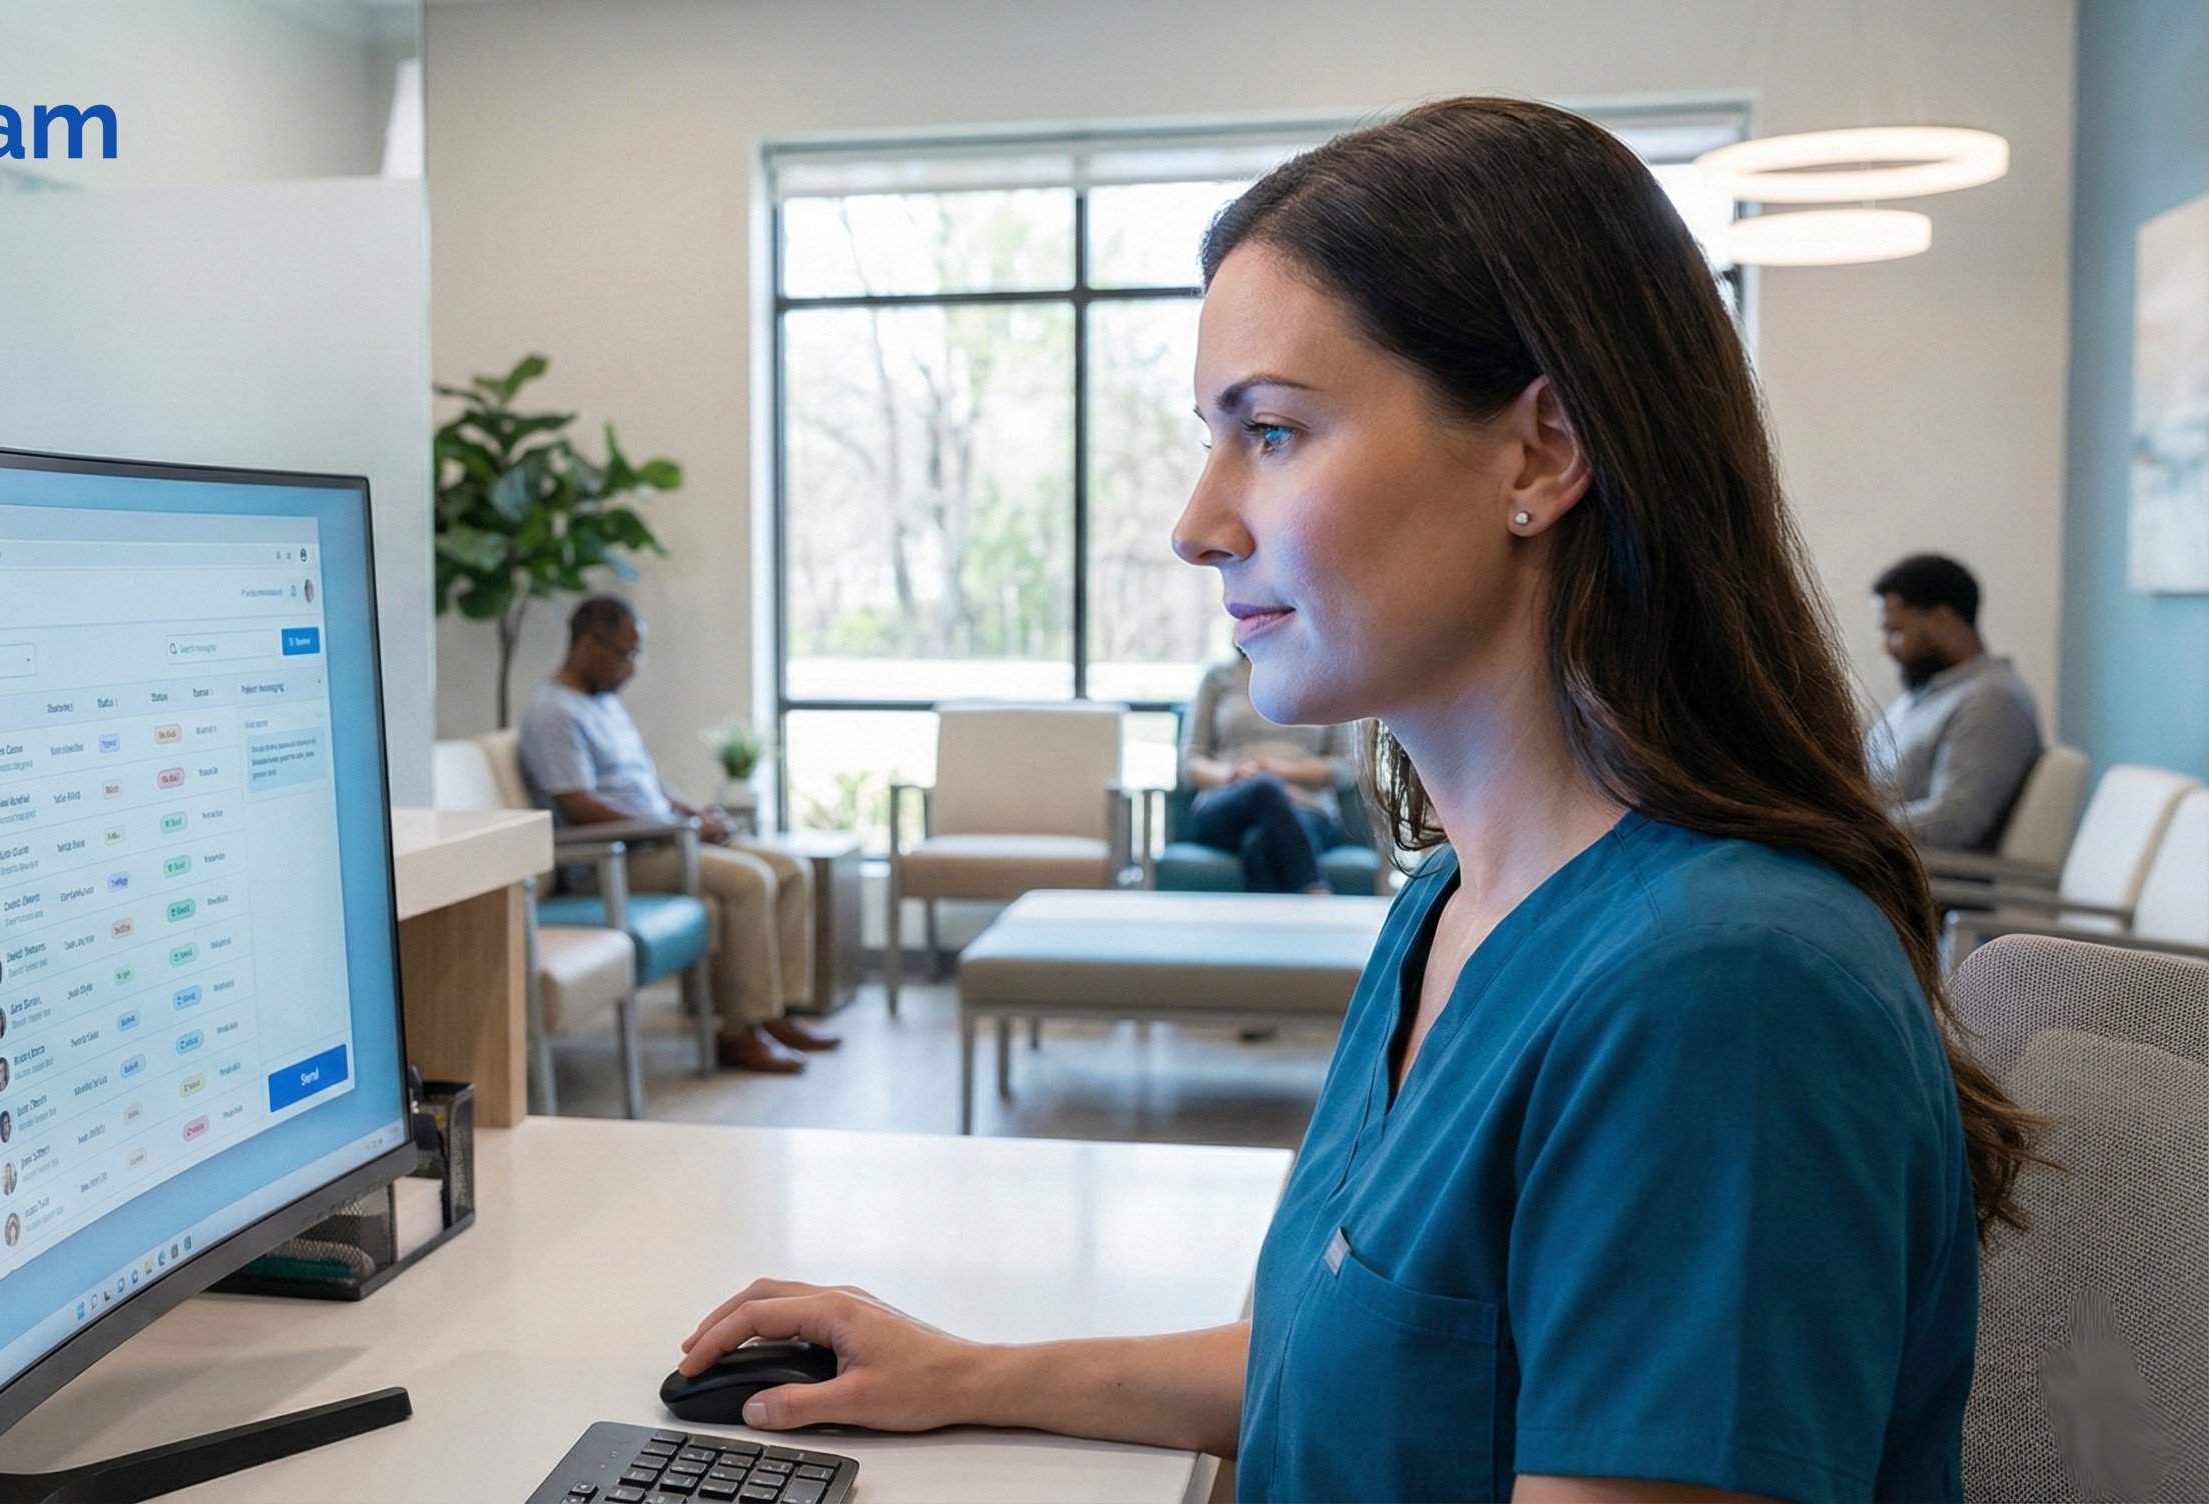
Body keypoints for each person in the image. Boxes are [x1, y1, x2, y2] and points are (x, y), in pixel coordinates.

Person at [675, 98, 2032, 1503]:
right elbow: (1349, 1365)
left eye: (1269, 431)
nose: (1199, 522)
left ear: (1540, 454)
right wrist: (964, 1374)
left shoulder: (1725, 996)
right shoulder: (1452, 906)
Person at [519, 595, 834, 1074]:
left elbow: (645, 782)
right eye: (627, 654)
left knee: (791, 869)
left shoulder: (603, 703)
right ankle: (740, 1030)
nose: (633, 667)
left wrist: (694, 811)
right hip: (612, 858)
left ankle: (780, 1010)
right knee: (750, 881)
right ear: (588, 643)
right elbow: (579, 807)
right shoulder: (554, 712)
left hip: (662, 840)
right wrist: (676, 827)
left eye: (637, 654)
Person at [1866, 553, 2045, 854]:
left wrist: (1849, 827)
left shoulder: (1992, 700)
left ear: (1942, 619)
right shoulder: (1929, 693)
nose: (1887, 646)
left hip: (1913, 878)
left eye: (1895, 631)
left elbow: (1955, 819)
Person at [1181, 654, 1360, 891]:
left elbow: (1346, 769)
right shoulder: (1218, 679)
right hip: (1228, 803)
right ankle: (1315, 888)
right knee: (1264, 787)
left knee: (1260, 843)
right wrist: (1232, 774)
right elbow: (1190, 763)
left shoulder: (1329, 679)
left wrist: (1282, 772)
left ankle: (1259, 927)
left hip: (1307, 807)